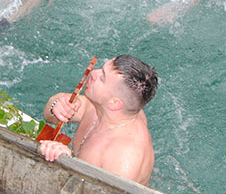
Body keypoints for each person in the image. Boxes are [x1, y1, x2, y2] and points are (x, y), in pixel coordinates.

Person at [39, 55, 158, 186]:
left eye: (102, 78)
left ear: (114, 103)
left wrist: (67, 164)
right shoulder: (105, 107)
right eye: (101, 68)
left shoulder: (122, 159)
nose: (93, 73)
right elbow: (49, 116)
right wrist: (56, 106)